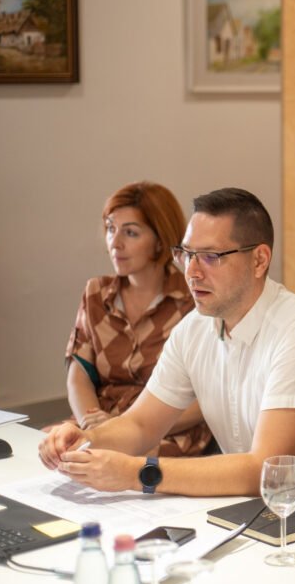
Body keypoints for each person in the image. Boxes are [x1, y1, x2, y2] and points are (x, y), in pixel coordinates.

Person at [40, 188, 295, 545]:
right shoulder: (194, 329)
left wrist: (137, 473)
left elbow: (264, 469)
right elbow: (140, 425)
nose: (192, 272)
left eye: (210, 257)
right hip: (277, 517)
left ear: (259, 260)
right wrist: (83, 440)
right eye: (187, 254)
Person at [61, 181, 212, 456]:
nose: (115, 243)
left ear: (160, 239)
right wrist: (92, 428)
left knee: (123, 463)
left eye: (130, 232)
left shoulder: (194, 300)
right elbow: (78, 377)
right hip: (99, 422)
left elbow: (207, 399)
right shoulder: (96, 293)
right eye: (110, 229)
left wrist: (121, 428)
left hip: (166, 432)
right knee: (51, 449)